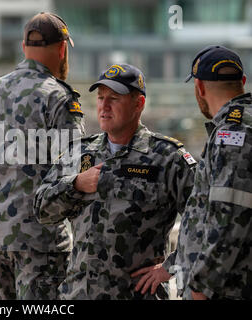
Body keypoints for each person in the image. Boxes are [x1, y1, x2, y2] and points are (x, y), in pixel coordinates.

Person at [34, 64, 196, 299]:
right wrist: (76, 185)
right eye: (100, 98)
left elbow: (202, 219)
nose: (104, 106)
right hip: (80, 294)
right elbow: (41, 210)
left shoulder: (167, 157)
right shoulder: (79, 153)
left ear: (138, 104)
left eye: (114, 98)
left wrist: (170, 267)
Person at [0, 12, 85, 299]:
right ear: (62, 49)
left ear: (24, 48)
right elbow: (75, 177)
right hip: (42, 243)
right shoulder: (58, 98)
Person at [134, 45, 252, 300]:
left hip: (225, 289)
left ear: (199, 87)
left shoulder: (231, 134)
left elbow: (230, 218)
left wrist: (201, 286)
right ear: (242, 82)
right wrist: (172, 267)